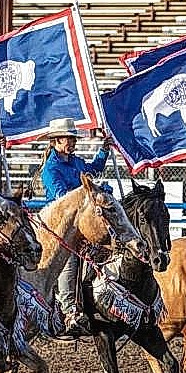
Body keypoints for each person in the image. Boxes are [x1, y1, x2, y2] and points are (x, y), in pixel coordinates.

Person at [38, 117, 114, 335]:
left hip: (79, 224)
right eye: (68, 139)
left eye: (73, 139)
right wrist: (93, 191)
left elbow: (93, 170)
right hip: (59, 226)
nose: (72, 142)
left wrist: (104, 151)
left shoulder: (76, 162)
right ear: (56, 141)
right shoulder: (50, 169)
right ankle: (69, 309)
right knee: (68, 259)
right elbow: (63, 199)